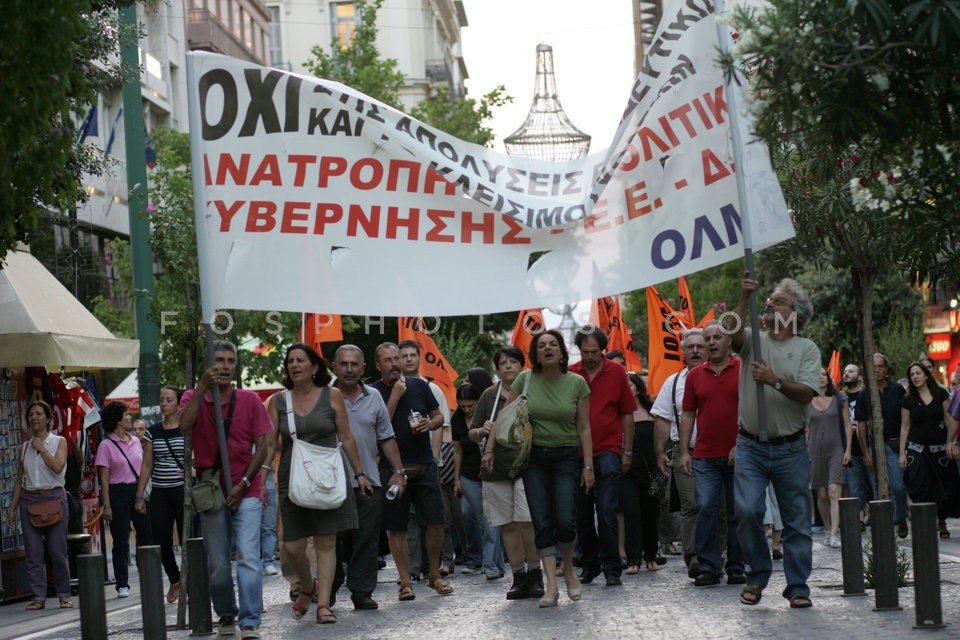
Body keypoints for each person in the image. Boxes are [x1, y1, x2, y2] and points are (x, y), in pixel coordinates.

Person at [266, 343, 371, 625]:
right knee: (292, 547)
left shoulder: (332, 395)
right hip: (292, 480)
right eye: (290, 361)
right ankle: (307, 585)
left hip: (328, 478)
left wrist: (359, 473)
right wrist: (262, 475)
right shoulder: (278, 401)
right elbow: (267, 443)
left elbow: (347, 437)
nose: (294, 365)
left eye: (301, 360)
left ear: (314, 367)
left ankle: (323, 604)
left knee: (326, 542)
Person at [731, 275, 820, 609]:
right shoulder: (753, 340)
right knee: (748, 510)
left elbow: (807, 393)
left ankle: (798, 586)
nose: (768, 303)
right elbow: (732, 333)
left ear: (793, 313)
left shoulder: (806, 349)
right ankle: (757, 575)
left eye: (778, 301)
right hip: (751, 446)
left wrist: (774, 381)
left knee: (797, 521)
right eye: (768, 299)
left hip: (791, 448)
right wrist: (743, 295)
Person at [180, 340, 273, 639]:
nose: (224, 366)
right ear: (208, 364)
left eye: (230, 361)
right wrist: (201, 388)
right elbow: (184, 424)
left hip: (247, 486)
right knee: (218, 562)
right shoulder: (193, 397)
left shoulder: (249, 401)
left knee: (248, 555)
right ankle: (226, 613)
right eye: (218, 360)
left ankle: (250, 621)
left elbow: (265, 445)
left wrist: (246, 482)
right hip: (211, 488)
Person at [515, 329, 593, 607]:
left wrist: (588, 466)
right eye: (541, 346)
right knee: (542, 521)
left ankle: (569, 570)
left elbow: (584, 427)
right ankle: (551, 585)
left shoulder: (577, 383)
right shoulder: (525, 379)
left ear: (561, 352)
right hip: (533, 458)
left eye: (552, 345)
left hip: (566, 457)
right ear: (535, 354)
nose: (547, 349)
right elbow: (510, 418)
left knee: (565, 519)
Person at [370, 342, 452, 600]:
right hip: (392, 468)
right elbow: (376, 425)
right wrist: (394, 396)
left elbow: (439, 416)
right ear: (378, 365)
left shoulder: (419, 385)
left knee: (436, 522)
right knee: (397, 528)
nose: (396, 363)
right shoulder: (372, 392)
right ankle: (405, 581)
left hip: (424, 464)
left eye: (397, 358)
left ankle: (434, 576)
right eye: (389, 360)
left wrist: (430, 424)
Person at [330, 344, 406, 610]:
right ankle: (330, 586)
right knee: (333, 539)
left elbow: (386, 437)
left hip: (368, 481)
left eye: (354, 364)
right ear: (334, 367)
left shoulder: (374, 397)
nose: (349, 369)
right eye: (344, 364)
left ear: (363, 368)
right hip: (330, 482)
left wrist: (398, 472)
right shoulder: (323, 396)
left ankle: (362, 591)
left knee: (366, 538)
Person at [678, 320, 745, 587]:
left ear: (729, 341)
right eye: (708, 338)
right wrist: (684, 451)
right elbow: (687, 414)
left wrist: (742, 443)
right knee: (705, 507)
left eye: (717, 337)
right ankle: (708, 566)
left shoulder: (742, 369)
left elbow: (752, 408)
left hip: (739, 453)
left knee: (737, 512)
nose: (712, 342)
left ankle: (737, 566)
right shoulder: (695, 375)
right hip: (704, 455)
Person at [569, 326, 636, 587]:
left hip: (608, 449)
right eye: (585, 352)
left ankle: (611, 568)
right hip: (576, 452)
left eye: (594, 352)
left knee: (607, 511)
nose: (589, 357)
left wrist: (627, 451)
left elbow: (627, 413)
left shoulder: (617, 372)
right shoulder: (571, 373)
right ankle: (590, 564)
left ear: (603, 349)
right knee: (582, 513)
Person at [476, 346, 544, 600]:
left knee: (527, 521)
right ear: (496, 368)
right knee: (507, 523)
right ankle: (518, 577)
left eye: (513, 361)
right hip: (496, 469)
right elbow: (472, 433)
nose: (508, 366)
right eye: (503, 362)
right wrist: (483, 430)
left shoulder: (532, 390)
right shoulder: (488, 396)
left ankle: (536, 573)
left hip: (527, 465)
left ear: (521, 364)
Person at [7, 401, 71, 609]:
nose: (33, 418)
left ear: (48, 419)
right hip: (29, 500)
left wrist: (42, 449)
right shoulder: (23, 448)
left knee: (57, 551)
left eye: (38, 414)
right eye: (30, 415)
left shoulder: (59, 441)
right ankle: (38, 598)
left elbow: (57, 467)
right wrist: (11, 509)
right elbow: (19, 480)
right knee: (33, 554)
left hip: (54, 498)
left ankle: (63, 594)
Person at [653, 328, 707, 578]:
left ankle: (720, 554)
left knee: (718, 506)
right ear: (683, 352)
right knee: (691, 504)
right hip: (685, 453)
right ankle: (693, 557)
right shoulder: (673, 382)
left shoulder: (723, 377)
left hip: (719, 453)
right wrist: (660, 453)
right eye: (690, 347)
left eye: (700, 346)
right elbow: (663, 419)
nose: (695, 350)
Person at [96, 401, 152, 599]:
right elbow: (104, 480)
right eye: (126, 415)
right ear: (118, 420)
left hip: (137, 490)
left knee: (146, 536)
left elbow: (144, 468)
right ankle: (122, 584)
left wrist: (141, 494)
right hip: (117, 493)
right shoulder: (106, 446)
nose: (130, 417)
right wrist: (107, 505)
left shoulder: (136, 441)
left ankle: (149, 576)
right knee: (121, 540)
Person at [900, 361, 959, 539]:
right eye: (912, 374)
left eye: (918, 373)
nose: (915, 377)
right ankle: (925, 524)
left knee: (943, 486)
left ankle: (941, 520)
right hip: (917, 450)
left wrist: (952, 442)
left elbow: (951, 420)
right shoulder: (908, 399)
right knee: (920, 486)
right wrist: (902, 453)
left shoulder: (940, 393)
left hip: (939, 449)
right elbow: (905, 427)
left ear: (926, 375)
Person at [139, 386, 186, 604]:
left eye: (169, 400)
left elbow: (197, 455)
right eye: (161, 400)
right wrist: (140, 496)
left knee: (189, 538)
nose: (164, 404)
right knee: (161, 540)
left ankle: (190, 583)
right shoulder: (153, 431)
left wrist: (192, 470)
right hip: (160, 492)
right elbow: (147, 464)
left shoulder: (187, 428)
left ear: (178, 403)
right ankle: (175, 578)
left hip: (182, 490)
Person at [855, 353, 909, 538]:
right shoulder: (865, 394)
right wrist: (865, 452)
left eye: (880, 366)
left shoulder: (898, 390)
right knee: (878, 490)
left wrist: (903, 448)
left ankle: (901, 517)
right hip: (874, 446)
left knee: (898, 487)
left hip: (894, 444)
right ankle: (884, 528)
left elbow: (905, 421)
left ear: (886, 370)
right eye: (873, 367)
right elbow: (860, 425)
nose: (876, 370)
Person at [619, 372, 662, 573]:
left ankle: (651, 556)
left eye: (630, 385)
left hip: (651, 470)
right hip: (627, 472)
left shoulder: (652, 409)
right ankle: (633, 559)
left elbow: (663, 435)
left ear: (637, 388)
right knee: (631, 514)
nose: (627, 388)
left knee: (650, 515)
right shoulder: (618, 412)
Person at [808, 368, 851, 548]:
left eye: (823, 374)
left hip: (836, 450)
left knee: (834, 490)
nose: (820, 378)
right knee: (822, 494)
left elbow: (848, 424)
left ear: (828, 378)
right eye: (816, 375)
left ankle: (834, 534)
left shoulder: (840, 397)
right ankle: (827, 527)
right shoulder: (806, 401)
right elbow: (805, 429)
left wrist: (848, 450)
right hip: (814, 451)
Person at [841, 364, 876, 527]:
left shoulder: (867, 396)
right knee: (854, 488)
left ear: (860, 377)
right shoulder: (842, 398)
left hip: (869, 447)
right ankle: (860, 520)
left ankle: (877, 516)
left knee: (874, 485)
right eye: (845, 371)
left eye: (851, 371)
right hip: (851, 449)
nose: (846, 373)